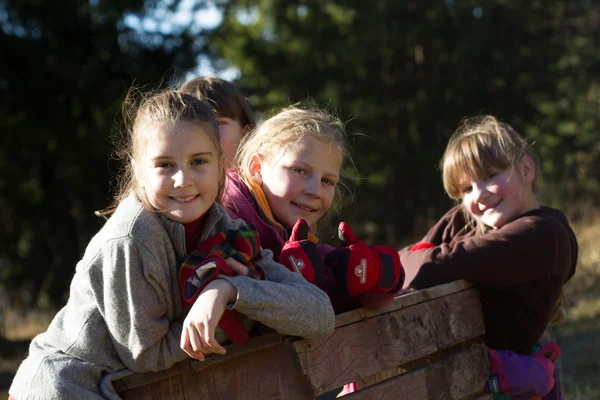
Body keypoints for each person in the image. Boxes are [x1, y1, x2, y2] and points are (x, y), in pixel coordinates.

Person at [8, 91, 334, 400]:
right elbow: (146, 355)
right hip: (67, 387)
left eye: (199, 162)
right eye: (165, 164)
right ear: (138, 169)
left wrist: (230, 290)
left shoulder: (229, 230)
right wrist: (230, 318)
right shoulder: (130, 240)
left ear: (221, 165)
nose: (183, 179)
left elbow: (319, 314)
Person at [399, 115, 577, 399]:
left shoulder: (543, 234)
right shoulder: (467, 221)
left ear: (527, 169)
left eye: (490, 176)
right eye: (466, 189)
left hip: (505, 389)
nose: (478, 196)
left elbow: (427, 266)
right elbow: (406, 262)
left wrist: (407, 263)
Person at [221, 105, 405, 315]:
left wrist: (377, 276)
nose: (315, 191)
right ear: (257, 168)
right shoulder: (224, 224)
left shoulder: (301, 242)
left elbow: (332, 309)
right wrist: (285, 283)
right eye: (300, 170)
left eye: (327, 180)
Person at [179, 75, 256, 169]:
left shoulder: (267, 181)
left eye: (218, 123)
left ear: (246, 134)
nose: (205, 133)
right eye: (193, 125)